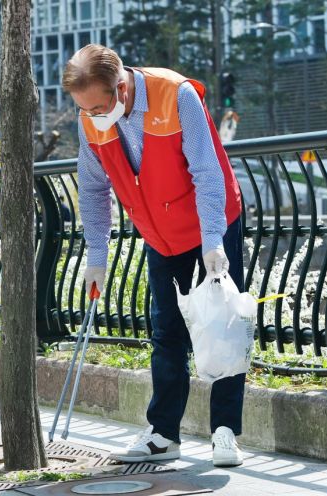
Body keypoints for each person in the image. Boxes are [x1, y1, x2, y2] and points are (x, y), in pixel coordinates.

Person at [62, 45, 245, 467]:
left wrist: (213, 239)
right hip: (160, 235)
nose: (89, 117)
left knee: (223, 323)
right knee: (166, 332)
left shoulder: (175, 94)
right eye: (82, 110)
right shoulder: (91, 118)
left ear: (122, 88)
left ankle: (225, 433)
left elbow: (207, 170)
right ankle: (164, 435)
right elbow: (92, 189)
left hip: (209, 221)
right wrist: (96, 256)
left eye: (96, 107)